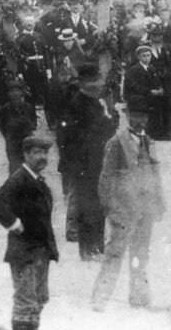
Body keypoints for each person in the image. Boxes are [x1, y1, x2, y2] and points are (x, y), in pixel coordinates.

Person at [90, 110, 164, 311]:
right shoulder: (117, 143)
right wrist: (110, 208)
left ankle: (138, 297)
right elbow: (105, 178)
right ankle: (100, 299)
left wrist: (159, 202)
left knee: (140, 254)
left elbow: (155, 174)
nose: (140, 121)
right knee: (115, 254)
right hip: (123, 209)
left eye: (144, 116)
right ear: (128, 117)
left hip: (145, 208)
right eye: (136, 116)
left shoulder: (148, 142)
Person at [0, 136, 58, 330]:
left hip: (40, 251)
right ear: (25, 155)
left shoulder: (38, 180)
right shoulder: (19, 178)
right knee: (26, 303)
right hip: (24, 252)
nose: (42, 157)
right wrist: (14, 223)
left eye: (44, 153)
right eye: (36, 153)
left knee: (39, 298)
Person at [61, 63, 115, 261]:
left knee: (99, 205)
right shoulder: (77, 104)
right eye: (93, 81)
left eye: (98, 80)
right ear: (84, 83)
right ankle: (87, 250)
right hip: (85, 164)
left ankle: (97, 247)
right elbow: (68, 138)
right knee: (87, 206)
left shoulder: (97, 102)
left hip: (99, 160)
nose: (98, 84)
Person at [0, 82, 37, 174]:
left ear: (22, 93)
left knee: (29, 168)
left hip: (27, 143)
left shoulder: (28, 108)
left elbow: (33, 124)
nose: (15, 94)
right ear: (8, 94)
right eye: (12, 91)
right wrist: (9, 137)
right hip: (13, 144)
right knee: (15, 169)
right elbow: (2, 126)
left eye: (17, 91)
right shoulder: (5, 109)